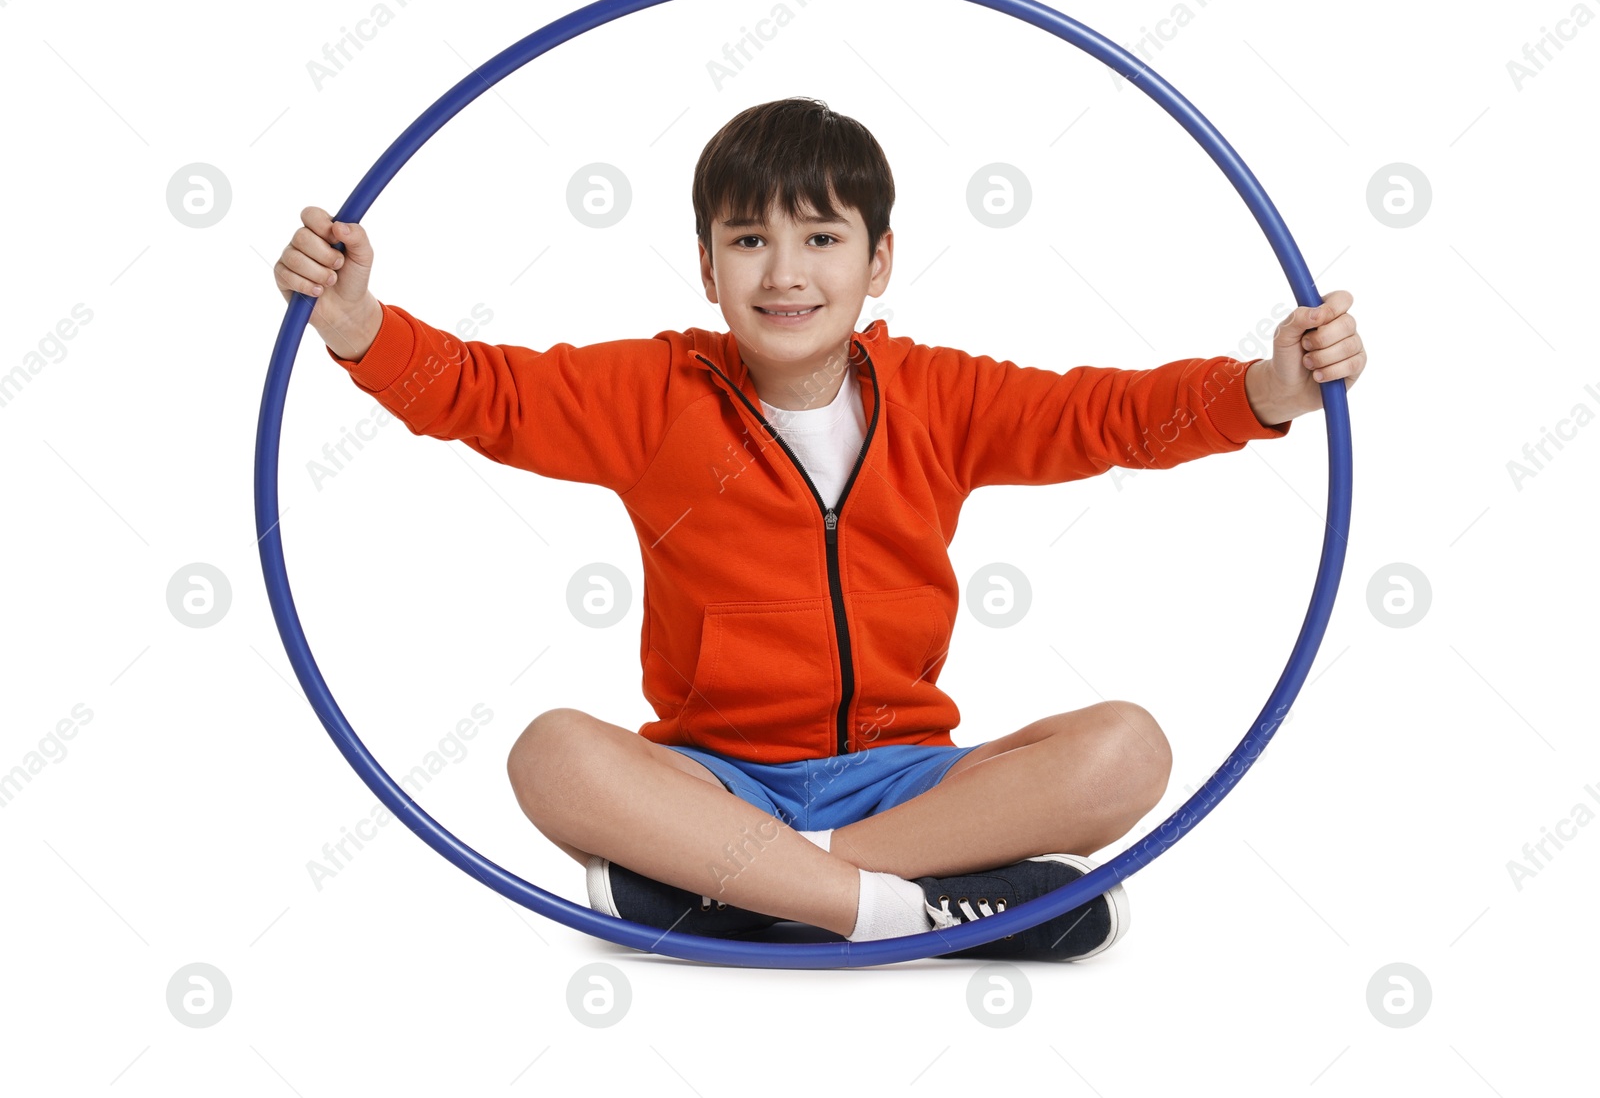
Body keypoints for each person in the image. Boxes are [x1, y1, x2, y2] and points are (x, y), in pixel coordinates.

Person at [274, 96, 1366, 961]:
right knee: (552, 755)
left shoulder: (941, 395)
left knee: (1127, 747)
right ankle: (904, 913)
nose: (785, 271)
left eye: (821, 236)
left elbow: (1110, 414)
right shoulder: (651, 393)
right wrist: (356, 318)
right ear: (707, 267)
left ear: (877, 260)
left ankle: (754, 891)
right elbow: (481, 391)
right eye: (748, 238)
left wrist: (1265, 385)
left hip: (906, 778)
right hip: (714, 777)